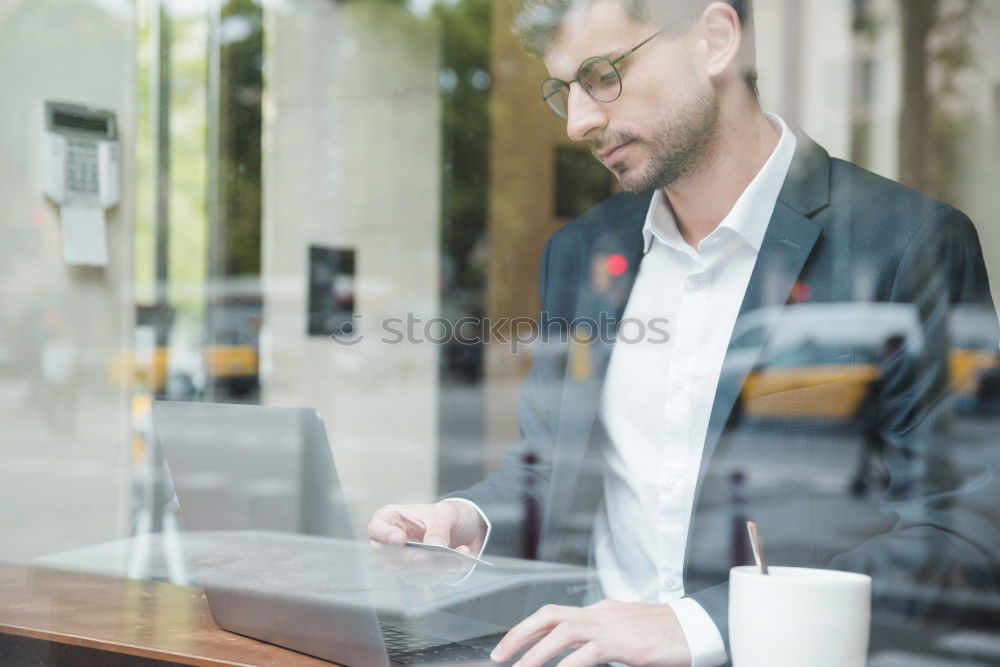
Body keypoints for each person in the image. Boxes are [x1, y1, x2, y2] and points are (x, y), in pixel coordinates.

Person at [368, 1, 1000, 665]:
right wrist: (467, 518)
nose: (580, 121)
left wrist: (699, 625)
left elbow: (962, 530)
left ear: (716, 40)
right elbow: (552, 465)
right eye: (564, 92)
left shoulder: (908, 244)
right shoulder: (581, 253)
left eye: (602, 75)